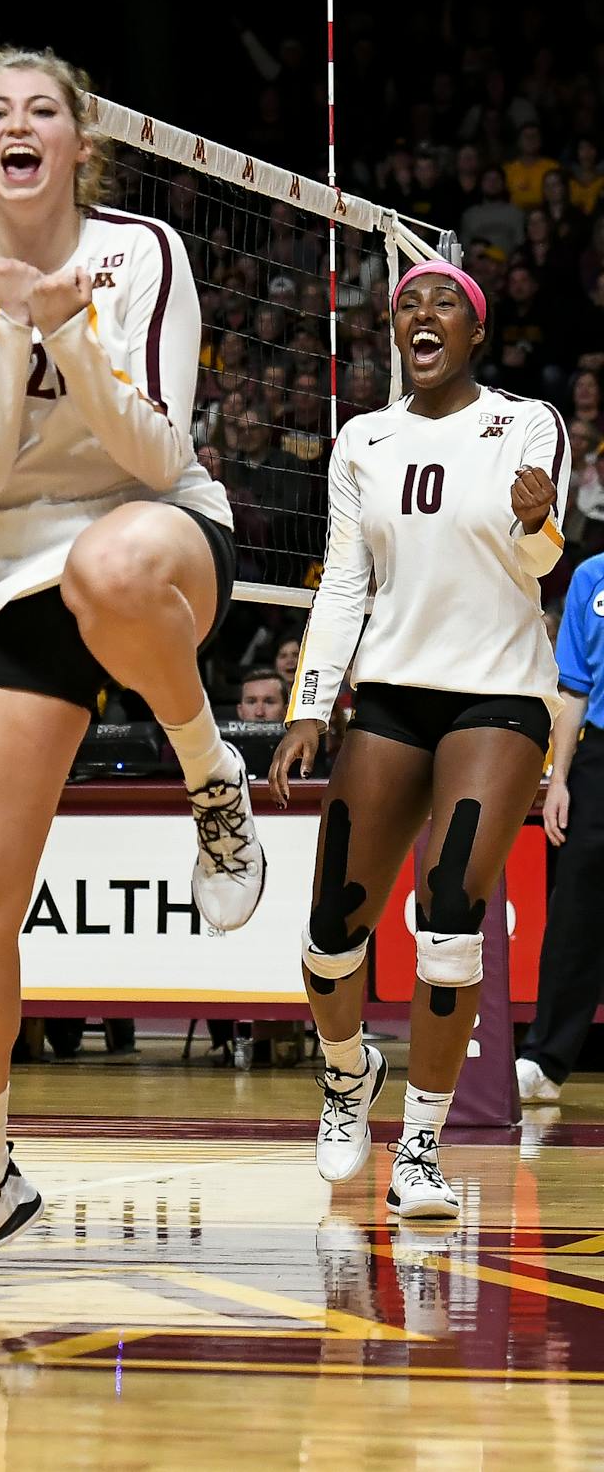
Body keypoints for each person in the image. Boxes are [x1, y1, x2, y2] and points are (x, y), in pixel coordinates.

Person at [0, 35, 257, 1291]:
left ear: (76, 142)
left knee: (109, 562)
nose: (17, 122)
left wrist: (76, 333)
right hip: (6, 572)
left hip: (156, 545)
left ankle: (209, 774)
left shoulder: (141, 251)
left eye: (41, 108)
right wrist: (5, 326)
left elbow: (155, 454)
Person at [268, 262, 565, 1220]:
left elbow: (542, 562)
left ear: (476, 333)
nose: (422, 314)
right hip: (392, 695)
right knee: (329, 931)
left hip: (499, 697)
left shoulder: (526, 423)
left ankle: (423, 1146)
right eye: (406, 304)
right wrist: (310, 703)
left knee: (447, 924)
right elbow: (346, 585)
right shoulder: (364, 440)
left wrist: (538, 526)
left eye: (443, 303)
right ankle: (348, 1072)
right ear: (395, 332)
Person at [515, 551, 604, 1104]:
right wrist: (561, 779)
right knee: (576, 913)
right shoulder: (591, 577)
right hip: (598, 760)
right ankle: (545, 1061)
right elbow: (573, 689)